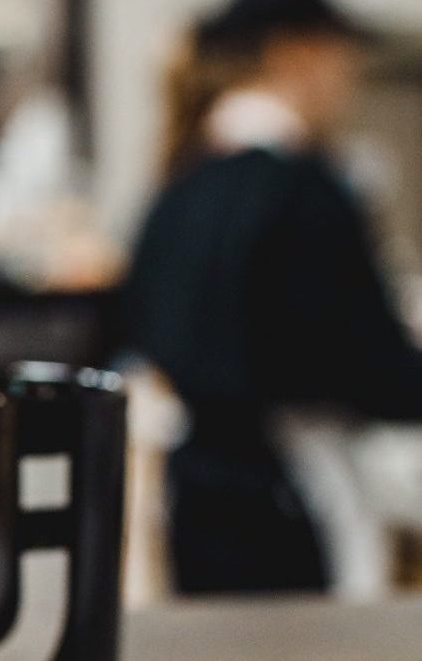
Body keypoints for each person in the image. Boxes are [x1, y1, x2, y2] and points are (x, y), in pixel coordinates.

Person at [126, 0, 422, 594]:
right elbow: (370, 365)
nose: (348, 83)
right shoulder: (305, 191)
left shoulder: (178, 188)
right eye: (344, 63)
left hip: (197, 493)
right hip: (294, 498)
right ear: (297, 54)